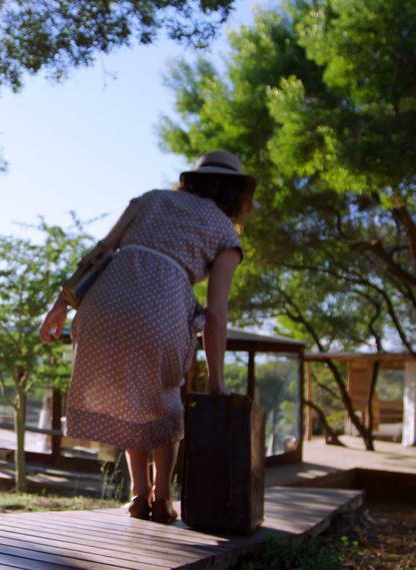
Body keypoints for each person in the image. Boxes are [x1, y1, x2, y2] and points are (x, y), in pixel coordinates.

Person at [38, 150, 256, 522]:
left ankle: (139, 496)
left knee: (130, 399)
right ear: (235, 194)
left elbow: (102, 250)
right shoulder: (225, 234)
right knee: (164, 402)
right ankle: (163, 499)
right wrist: (217, 384)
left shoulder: (151, 199)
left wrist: (61, 304)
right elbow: (216, 313)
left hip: (104, 300)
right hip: (162, 305)